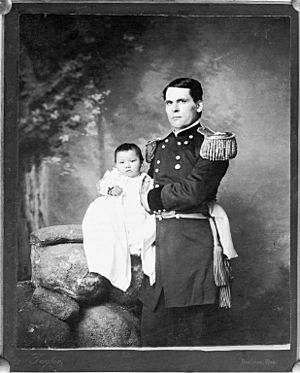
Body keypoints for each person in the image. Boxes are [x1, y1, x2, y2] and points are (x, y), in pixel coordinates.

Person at [139, 77, 238, 346]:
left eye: (181, 101)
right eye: (169, 102)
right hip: (160, 243)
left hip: (192, 246)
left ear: (199, 105)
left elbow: (194, 192)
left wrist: (153, 197)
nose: (174, 108)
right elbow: (145, 187)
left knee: (192, 334)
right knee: (151, 334)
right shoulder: (159, 146)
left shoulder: (212, 144)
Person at [82, 143, 156, 292]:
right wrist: (111, 189)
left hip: (136, 211)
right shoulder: (115, 177)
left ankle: (135, 245)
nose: (127, 166)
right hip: (117, 212)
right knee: (100, 213)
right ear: (116, 164)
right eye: (122, 163)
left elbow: (150, 196)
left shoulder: (145, 179)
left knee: (144, 224)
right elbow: (102, 185)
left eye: (132, 161)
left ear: (141, 162)